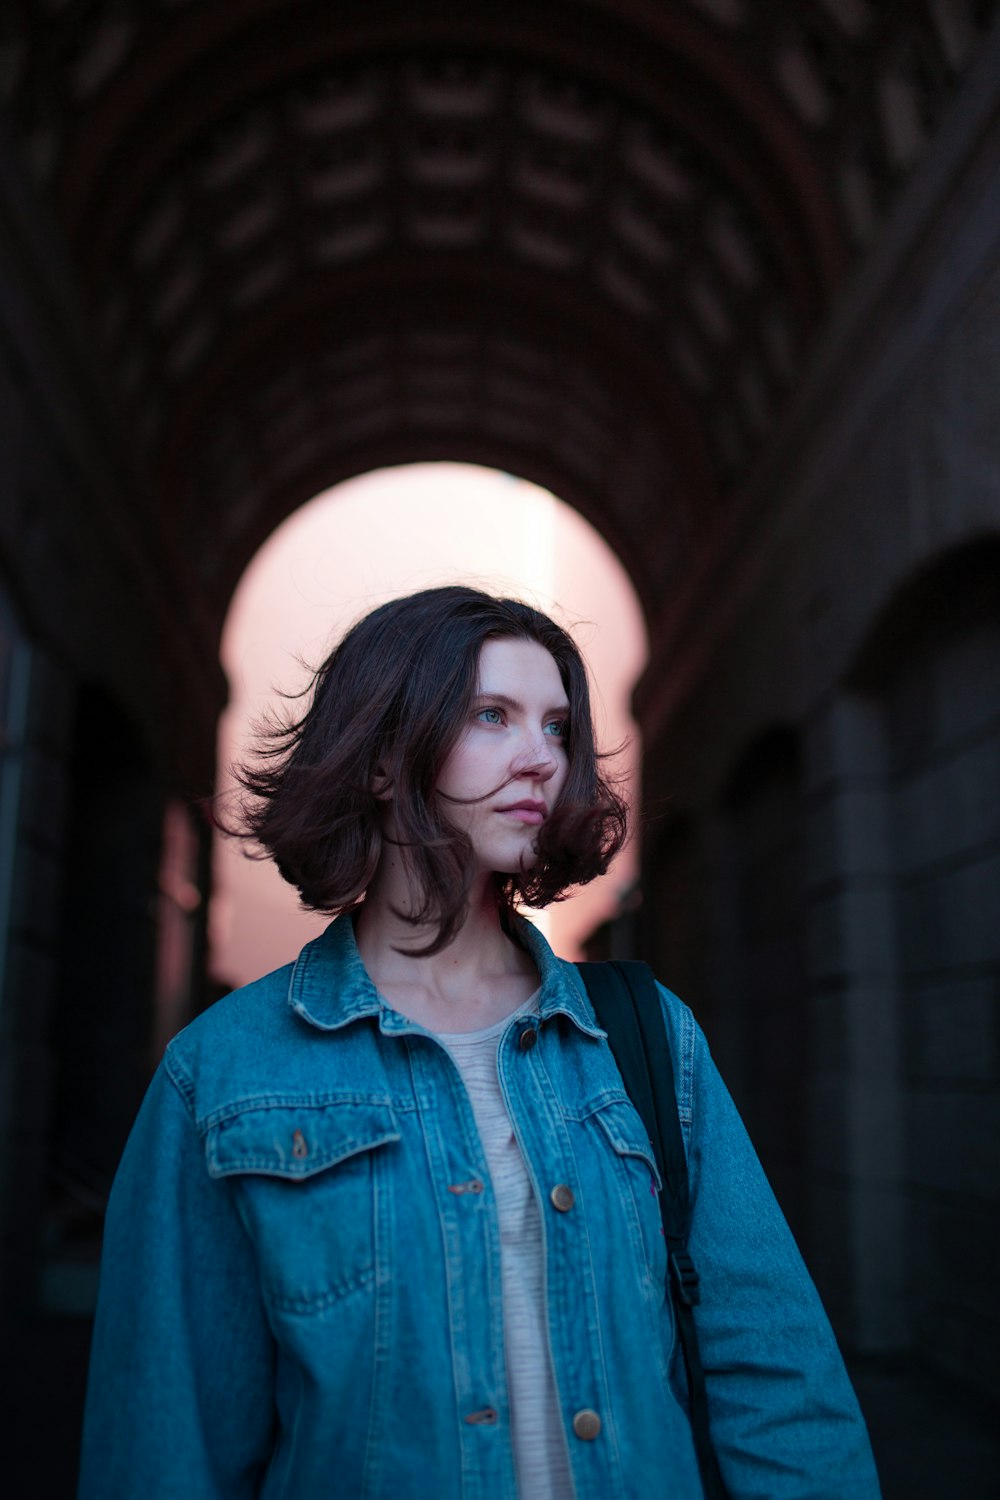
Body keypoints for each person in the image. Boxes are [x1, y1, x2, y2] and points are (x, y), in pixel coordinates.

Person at [78, 586, 881, 1500]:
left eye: (557, 727)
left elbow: (779, 1383)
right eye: (492, 716)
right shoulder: (220, 1076)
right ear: (383, 759)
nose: (541, 758)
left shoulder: (650, 1040)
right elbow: (163, 1455)